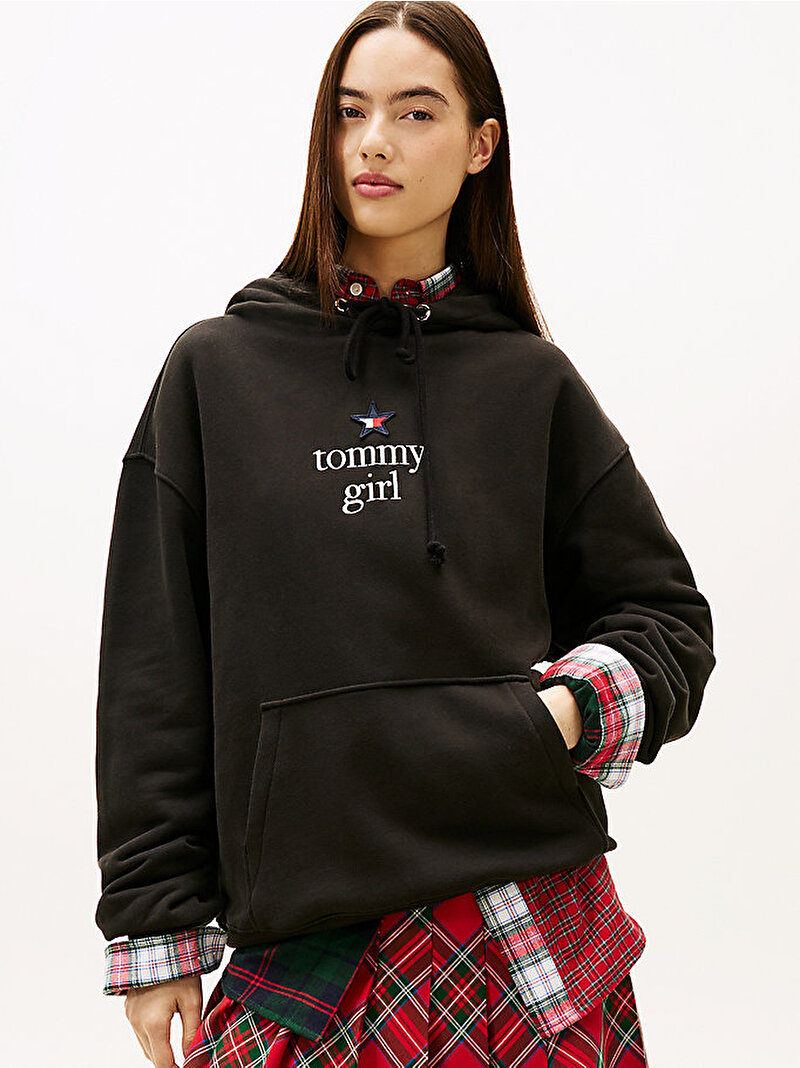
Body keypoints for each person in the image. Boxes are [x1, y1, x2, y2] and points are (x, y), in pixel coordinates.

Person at [93, 3, 715, 1066]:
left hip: (529, 931)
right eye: (350, 112)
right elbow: (154, 667)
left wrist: (556, 716)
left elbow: (668, 620)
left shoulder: (528, 382)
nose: (372, 141)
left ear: (480, 144)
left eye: (415, 112)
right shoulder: (215, 372)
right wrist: (155, 928)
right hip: (309, 946)